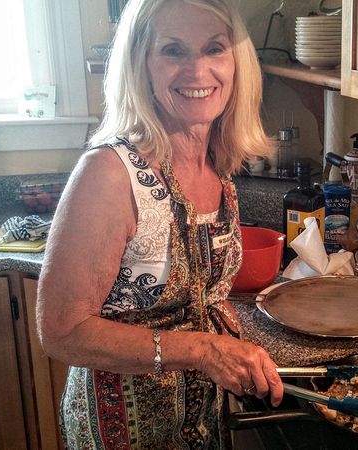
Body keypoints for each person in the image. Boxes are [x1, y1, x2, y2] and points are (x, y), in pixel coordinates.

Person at [36, 0, 282, 448]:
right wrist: (205, 350)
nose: (198, 71)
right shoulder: (109, 174)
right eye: (173, 51)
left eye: (214, 49)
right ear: (140, 65)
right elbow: (61, 331)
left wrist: (230, 351)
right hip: (122, 431)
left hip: (199, 423)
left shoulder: (217, 161)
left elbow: (205, 296)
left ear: (236, 62)